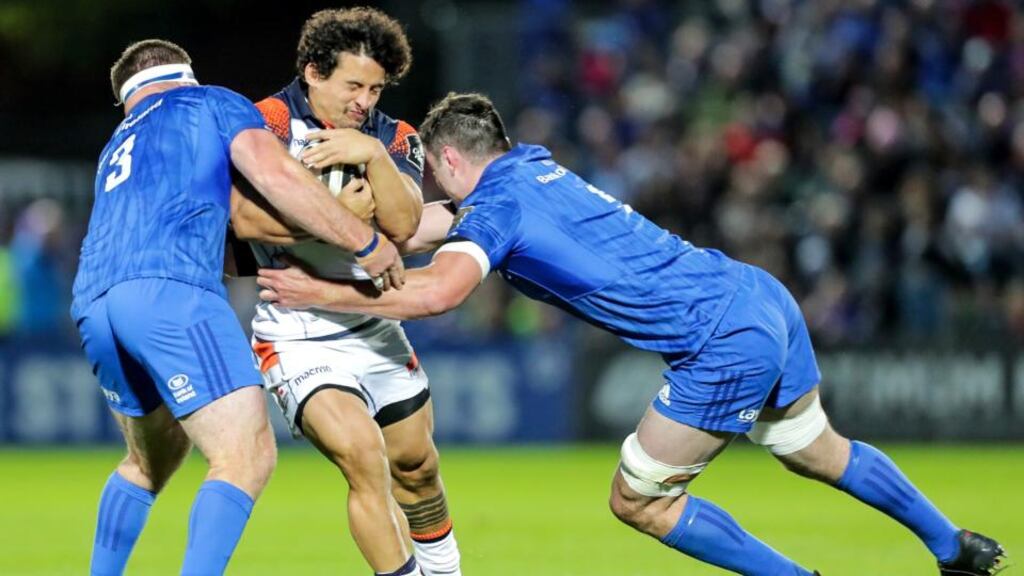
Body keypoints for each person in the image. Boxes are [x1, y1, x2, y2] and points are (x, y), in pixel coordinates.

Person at [255, 93, 1009, 576]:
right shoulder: (534, 170)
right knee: (813, 448)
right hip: (758, 295)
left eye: (431, 170)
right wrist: (337, 219)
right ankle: (955, 546)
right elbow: (420, 228)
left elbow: (441, 291)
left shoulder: (499, 209)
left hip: (718, 338)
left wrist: (323, 292)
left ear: (449, 159)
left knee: (638, 499)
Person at [72, 39, 403, 576]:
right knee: (246, 454)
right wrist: (362, 239)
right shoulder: (211, 102)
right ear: (187, 74)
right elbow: (274, 177)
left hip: (95, 300)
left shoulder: (118, 141)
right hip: (171, 290)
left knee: (148, 462)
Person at [229, 8, 462, 576]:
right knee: (365, 458)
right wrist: (339, 219)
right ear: (313, 71)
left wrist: (372, 153)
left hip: (375, 323)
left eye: (376, 88)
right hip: (296, 330)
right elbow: (245, 223)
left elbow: (405, 226)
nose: (365, 100)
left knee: (418, 467)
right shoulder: (268, 124)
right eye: (353, 85)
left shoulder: (391, 135)